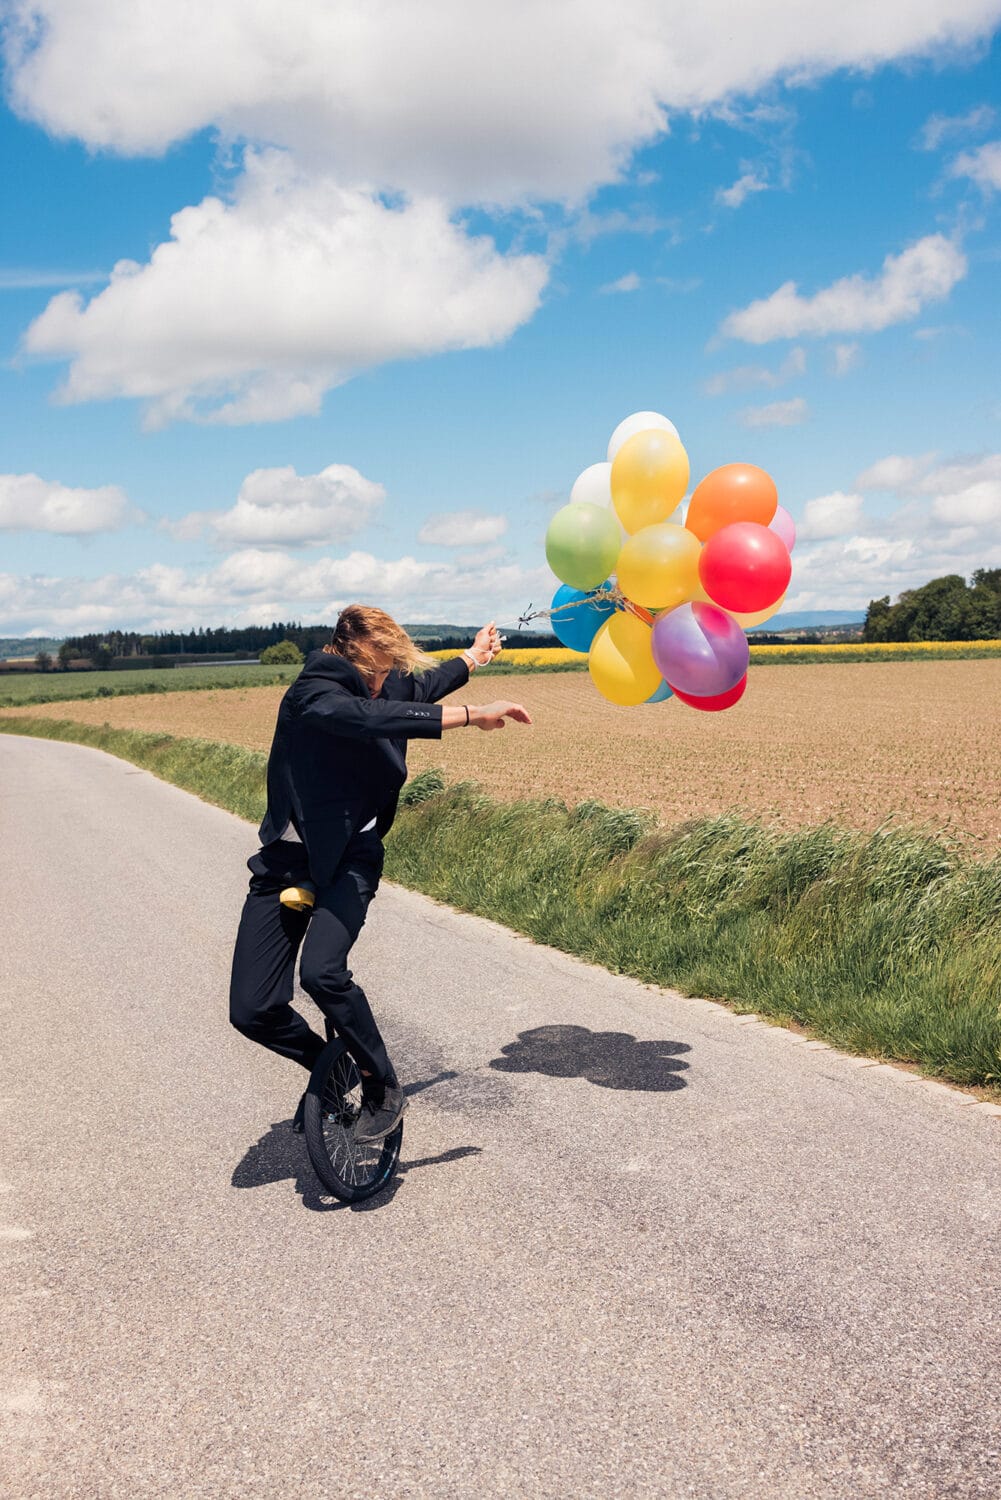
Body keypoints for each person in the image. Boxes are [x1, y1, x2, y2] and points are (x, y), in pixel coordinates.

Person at [229, 605, 532, 1143]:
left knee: (322, 973)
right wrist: (470, 715)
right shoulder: (314, 695)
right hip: (288, 863)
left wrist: (472, 657)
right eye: (378, 668)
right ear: (350, 654)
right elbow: (367, 719)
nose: (384, 681)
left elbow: (419, 689)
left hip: (351, 856)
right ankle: (333, 1070)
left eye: (390, 668)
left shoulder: (380, 682)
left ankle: (381, 1083)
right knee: (253, 1009)